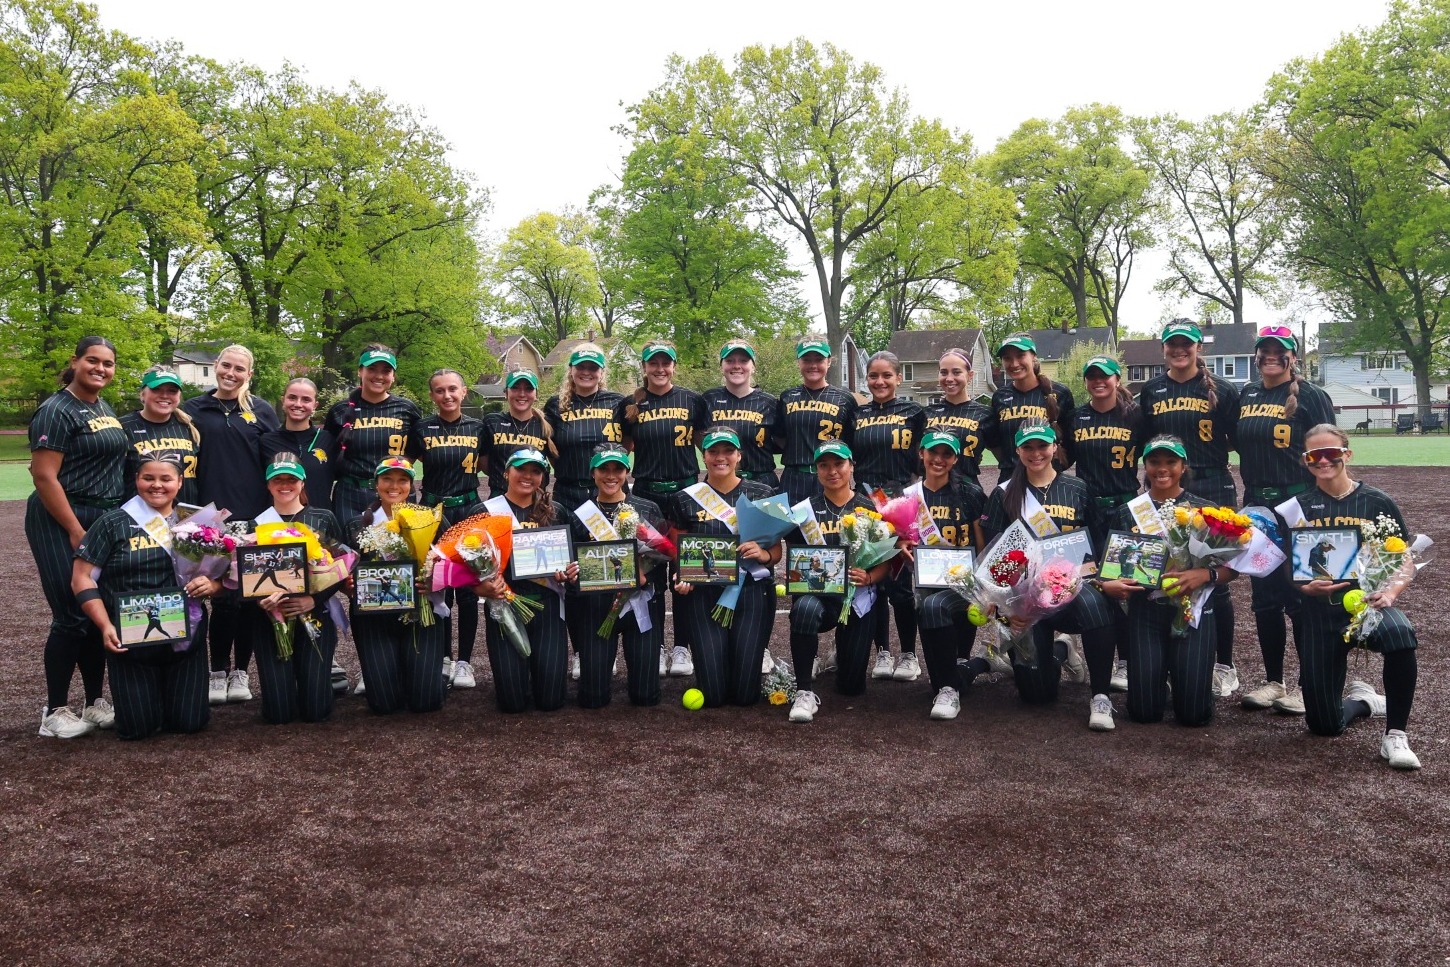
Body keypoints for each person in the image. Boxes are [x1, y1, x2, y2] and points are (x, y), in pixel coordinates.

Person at [1289, 425, 1421, 769]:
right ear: (1305, 462)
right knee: (1324, 726)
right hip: (1319, 612)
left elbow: (1403, 558)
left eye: (1330, 453)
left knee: (1401, 635)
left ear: (1346, 455)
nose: (1322, 461)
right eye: (1313, 456)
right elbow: (1288, 568)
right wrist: (1304, 587)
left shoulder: (1376, 500)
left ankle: (1395, 734)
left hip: (1368, 606)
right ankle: (1365, 702)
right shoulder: (1298, 507)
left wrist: (1390, 592)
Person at [71, 455, 220, 739]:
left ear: (179, 482)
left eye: (166, 479)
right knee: (137, 729)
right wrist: (105, 626)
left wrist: (212, 585)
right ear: (136, 480)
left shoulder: (199, 522)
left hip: (185, 637)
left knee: (190, 723)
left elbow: (222, 575)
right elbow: (81, 577)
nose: (157, 486)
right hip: (131, 639)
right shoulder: (113, 523)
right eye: (148, 478)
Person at [982, 425, 1118, 730]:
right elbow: (992, 558)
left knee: (1095, 604)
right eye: (1027, 447)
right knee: (1035, 694)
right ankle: (1061, 650)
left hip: (1073, 591)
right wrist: (1008, 611)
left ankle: (1100, 696)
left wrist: (1083, 578)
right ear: (1017, 451)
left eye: (1042, 446)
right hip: (1026, 602)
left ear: (1054, 447)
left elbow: (1096, 548)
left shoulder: (1079, 489)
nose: (1036, 454)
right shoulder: (1003, 494)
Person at [28, 336, 130, 737]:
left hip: (100, 516)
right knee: (71, 614)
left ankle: (93, 701)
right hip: (62, 516)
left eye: (108, 363)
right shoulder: (56, 409)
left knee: (95, 611)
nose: (100, 369)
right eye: (93, 361)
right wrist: (74, 529)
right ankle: (54, 711)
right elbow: (43, 475)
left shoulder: (100, 405)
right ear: (75, 362)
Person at [1234, 326, 1336, 716]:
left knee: (1302, 595)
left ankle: (1308, 682)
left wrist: (1322, 506)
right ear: (1257, 354)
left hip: (1298, 504)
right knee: (1264, 598)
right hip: (1257, 504)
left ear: (1293, 355)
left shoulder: (1311, 396)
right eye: (1265, 350)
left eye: (1280, 350)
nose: (1271, 356)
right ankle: (1274, 681)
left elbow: (1326, 449)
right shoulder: (1247, 393)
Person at [1138, 320, 1242, 698]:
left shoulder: (1224, 390)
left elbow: (1237, 437)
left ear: (1199, 348)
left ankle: (1224, 665)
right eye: (1172, 345)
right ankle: (1171, 658)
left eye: (1186, 344)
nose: (1179, 350)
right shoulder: (1151, 390)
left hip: (1212, 483)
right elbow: (1142, 438)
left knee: (1214, 576)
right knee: (1168, 569)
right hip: (1167, 482)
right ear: (1163, 349)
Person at [1097, 437, 1231, 727]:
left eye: (1171, 462)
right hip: (1146, 610)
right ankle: (1164, 678)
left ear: (1183, 466)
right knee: (1144, 712)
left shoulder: (1205, 510)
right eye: (1154, 462)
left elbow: (1232, 568)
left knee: (1194, 716)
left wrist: (1204, 575)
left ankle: (1188, 677)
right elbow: (1109, 567)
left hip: (1193, 610)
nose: (1162, 469)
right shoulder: (1128, 511)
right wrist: (1111, 584)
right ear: (1145, 466)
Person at [182, 344, 280, 706]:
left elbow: (275, 461)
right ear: (216, 366)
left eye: (240, 369)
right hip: (207, 520)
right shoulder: (192, 410)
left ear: (249, 375)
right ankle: (217, 670)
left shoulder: (262, 411)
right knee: (219, 597)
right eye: (226, 366)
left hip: (253, 518)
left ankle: (241, 670)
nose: (231, 373)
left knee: (249, 597)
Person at [669, 427, 781, 708]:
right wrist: (682, 575)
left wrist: (764, 554)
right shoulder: (685, 498)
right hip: (704, 594)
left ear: (739, 456)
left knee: (745, 695)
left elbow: (777, 551)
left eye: (728, 451)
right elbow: (678, 551)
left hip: (752, 591)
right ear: (703, 457)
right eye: (713, 452)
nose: (721, 457)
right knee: (715, 695)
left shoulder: (761, 492)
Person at [782, 441, 893, 724]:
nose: (832, 471)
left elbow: (885, 561)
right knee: (804, 611)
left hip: (856, 599)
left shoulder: (871, 507)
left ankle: (840, 656)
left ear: (851, 466)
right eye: (824, 465)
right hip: (819, 597)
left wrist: (869, 576)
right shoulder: (804, 511)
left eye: (839, 464)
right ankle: (804, 690)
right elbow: (795, 561)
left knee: (852, 688)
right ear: (817, 470)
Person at [615, 340, 707, 677]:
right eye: (653, 363)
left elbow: (706, 445)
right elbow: (622, 453)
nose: (659, 369)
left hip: (685, 492)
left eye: (665, 363)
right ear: (644, 366)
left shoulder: (693, 401)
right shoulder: (629, 405)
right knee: (649, 571)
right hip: (648, 493)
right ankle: (653, 645)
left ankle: (681, 647)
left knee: (686, 571)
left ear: (674, 365)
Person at [473, 449, 578, 713]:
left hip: (548, 606)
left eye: (536, 471)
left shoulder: (557, 512)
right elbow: (463, 569)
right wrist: (481, 587)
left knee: (551, 701)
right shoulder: (484, 512)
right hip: (504, 606)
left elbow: (571, 562)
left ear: (543, 477)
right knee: (511, 704)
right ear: (506, 472)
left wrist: (567, 573)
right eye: (521, 469)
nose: (528, 476)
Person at [245, 454, 346, 724]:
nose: (285, 485)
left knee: (316, 711)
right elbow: (239, 576)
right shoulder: (254, 525)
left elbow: (342, 565)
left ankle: (324, 678)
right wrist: (259, 601)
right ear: (268, 485)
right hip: (269, 620)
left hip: (315, 615)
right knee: (278, 714)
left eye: (292, 479)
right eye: (278, 480)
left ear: (302, 483)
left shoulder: (321, 518)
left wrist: (313, 599)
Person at [566, 445, 668, 708]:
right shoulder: (579, 514)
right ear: (593, 473)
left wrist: (647, 578)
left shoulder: (648, 508)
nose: (611, 475)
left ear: (627, 472)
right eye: (604, 469)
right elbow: (572, 563)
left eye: (618, 469)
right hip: (597, 606)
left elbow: (662, 559)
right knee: (593, 698)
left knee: (646, 697)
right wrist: (573, 573)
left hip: (640, 604)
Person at [702, 339, 780, 674]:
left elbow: (783, 441)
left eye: (743, 360)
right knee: (718, 550)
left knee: (760, 562)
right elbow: (696, 436)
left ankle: (758, 645)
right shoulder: (706, 401)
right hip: (719, 485)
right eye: (730, 360)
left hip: (759, 484)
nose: (737, 365)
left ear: (752, 365)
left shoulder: (770, 402)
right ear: (722, 365)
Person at [850, 350, 926, 683]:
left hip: (901, 504)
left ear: (898, 377)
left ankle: (908, 653)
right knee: (873, 579)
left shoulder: (914, 412)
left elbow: (924, 459)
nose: (879, 382)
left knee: (901, 583)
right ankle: (881, 650)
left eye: (886, 376)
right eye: (873, 376)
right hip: (866, 503)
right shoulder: (856, 414)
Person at [348, 457, 445, 715]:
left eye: (402, 480)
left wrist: (433, 579)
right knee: (384, 705)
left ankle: (425, 672)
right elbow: (345, 572)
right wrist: (349, 585)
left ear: (411, 486)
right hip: (374, 619)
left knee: (426, 702)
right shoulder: (357, 525)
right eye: (387, 479)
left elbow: (452, 566)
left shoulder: (430, 520)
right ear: (376, 484)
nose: (394, 486)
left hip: (422, 614)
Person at [1069, 355, 1141, 691]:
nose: (1099, 382)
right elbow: (1064, 457)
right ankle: (1085, 652)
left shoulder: (1135, 415)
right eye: (1092, 376)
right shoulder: (1076, 416)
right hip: (1087, 509)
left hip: (1123, 505)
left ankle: (1126, 662)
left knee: (1125, 585)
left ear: (1117, 378)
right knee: (1089, 581)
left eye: (1105, 376)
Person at [413, 369, 487, 689]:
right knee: (438, 587)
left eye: (453, 389)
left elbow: (489, 467)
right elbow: (402, 467)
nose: (447, 396)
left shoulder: (479, 428)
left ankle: (464, 662)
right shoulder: (421, 428)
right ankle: (443, 657)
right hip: (432, 511)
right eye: (440, 391)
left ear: (464, 391)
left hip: (468, 508)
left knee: (468, 590)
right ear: (432, 396)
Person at [913, 431, 990, 720]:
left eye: (947, 454)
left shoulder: (969, 492)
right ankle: (972, 668)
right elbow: (903, 540)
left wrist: (982, 586)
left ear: (955, 459)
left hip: (964, 584)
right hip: (925, 582)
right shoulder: (911, 495)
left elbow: (980, 543)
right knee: (930, 607)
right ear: (922, 453)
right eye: (933, 452)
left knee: (934, 607)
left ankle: (950, 688)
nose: (939, 459)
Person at [324, 345, 422, 529]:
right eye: (371, 369)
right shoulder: (340, 410)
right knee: (351, 553)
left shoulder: (407, 409)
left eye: (386, 371)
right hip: (351, 493)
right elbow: (330, 453)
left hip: (396, 491)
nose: (379, 376)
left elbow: (419, 448)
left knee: (398, 553)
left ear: (393, 376)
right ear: (360, 371)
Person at [774, 337, 856, 507]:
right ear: (799, 362)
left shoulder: (844, 398)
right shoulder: (787, 397)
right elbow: (779, 436)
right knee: (792, 531)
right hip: (794, 477)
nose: (813, 365)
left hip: (830, 476)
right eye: (806, 360)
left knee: (832, 529)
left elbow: (851, 440)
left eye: (819, 360)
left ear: (829, 362)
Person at [544, 343, 625, 513]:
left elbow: (628, 444)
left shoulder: (617, 402)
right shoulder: (555, 405)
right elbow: (551, 449)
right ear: (571, 370)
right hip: (568, 492)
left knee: (614, 539)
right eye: (581, 366)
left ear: (601, 372)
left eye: (593, 367)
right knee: (571, 539)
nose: (586, 372)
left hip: (609, 491)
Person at [982, 334, 1075, 476]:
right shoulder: (1000, 396)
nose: (1014, 364)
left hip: (1049, 480)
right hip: (1011, 480)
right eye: (1007, 358)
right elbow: (996, 443)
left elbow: (1071, 441)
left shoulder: (1060, 393)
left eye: (1020, 356)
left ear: (1033, 356)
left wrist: (1054, 469)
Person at [120, 368, 202, 506]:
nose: (164, 395)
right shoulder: (124, 427)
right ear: (142, 394)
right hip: (139, 519)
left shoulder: (189, 427)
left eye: (172, 391)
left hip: (185, 519)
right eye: (156, 389)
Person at [261, 377, 337, 515]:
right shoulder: (266, 442)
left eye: (306, 400)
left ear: (315, 405)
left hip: (320, 523)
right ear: (283, 400)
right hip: (277, 524)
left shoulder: (328, 440)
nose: (298, 404)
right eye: (292, 398)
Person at [923, 347, 991, 493]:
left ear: (970, 375)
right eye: (943, 372)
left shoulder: (985, 414)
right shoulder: (926, 413)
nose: (949, 378)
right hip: (931, 493)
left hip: (968, 494)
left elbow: (1005, 458)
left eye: (956, 372)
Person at [481, 369, 551, 500]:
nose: (522, 394)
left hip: (535, 500)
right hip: (499, 498)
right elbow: (485, 464)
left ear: (536, 394)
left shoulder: (546, 425)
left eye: (529, 389)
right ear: (506, 393)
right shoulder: (492, 422)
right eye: (515, 388)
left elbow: (554, 461)